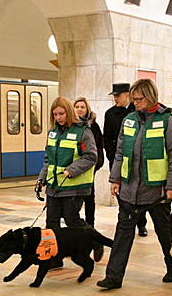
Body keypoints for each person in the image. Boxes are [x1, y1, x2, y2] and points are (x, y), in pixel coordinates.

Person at [97, 79, 172, 289]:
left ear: (151, 96)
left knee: (165, 232)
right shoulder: (129, 120)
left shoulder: (166, 121)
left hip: (156, 190)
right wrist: (115, 178)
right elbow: (119, 152)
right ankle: (113, 276)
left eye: (140, 99)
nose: (136, 102)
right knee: (122, 233)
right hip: (129, 189)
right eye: (133, 99)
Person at [37, 97, 98, 268]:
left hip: (73, 186)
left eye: (61, 113)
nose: (58, 117)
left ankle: (95, 240)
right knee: (51, 223)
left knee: (72, 220)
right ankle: (55, 259)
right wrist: (42, 178)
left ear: (68, 112)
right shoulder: (52, 133)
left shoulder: (83, 132)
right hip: (54, 186)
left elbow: (91, 157)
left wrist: (72, 169)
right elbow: (47, 159)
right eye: (55, 114)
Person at [103, 83, 148, 237]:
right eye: (114, 96)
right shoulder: (110, 114)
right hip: (118, 160)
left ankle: (141, 224)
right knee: (123, 196)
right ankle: (125, 221)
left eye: (118, 95)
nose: (115, 98)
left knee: (139, 194)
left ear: (127, 95)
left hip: (136, 162)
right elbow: (107, 138)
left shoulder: (137, 112)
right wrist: (112, 157)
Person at [73, 97, 104, 227]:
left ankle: (90, 225)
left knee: (89, 197)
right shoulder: (70, 126)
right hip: (73, 169)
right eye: (77, 107)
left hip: (89, 168)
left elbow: (99, 148)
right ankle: (75, 223)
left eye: (82, 107)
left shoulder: (93, 127)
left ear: (87, 110)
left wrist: (95, 165)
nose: (79, 109)